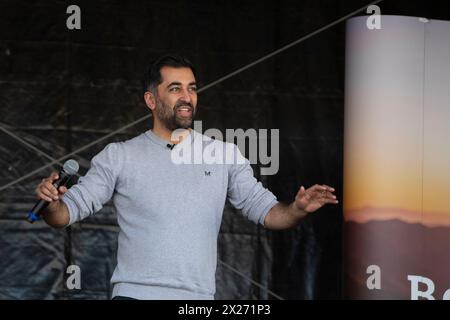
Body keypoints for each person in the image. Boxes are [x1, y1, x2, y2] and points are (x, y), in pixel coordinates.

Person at [35, 54, 338, 300]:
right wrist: (52, 203)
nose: (187, 97)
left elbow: (268, 213)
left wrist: (296, 209)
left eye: (192, 88)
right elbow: (66, 213)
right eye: (175, 88)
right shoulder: (119, 155)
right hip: (135, 295)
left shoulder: (224, 153)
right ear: (151, 100)